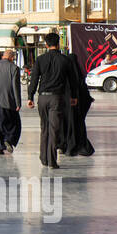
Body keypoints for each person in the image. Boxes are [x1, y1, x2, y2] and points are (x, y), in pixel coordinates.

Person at [27, 32, 74, 169]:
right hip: (56, 98)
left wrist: (30, 97)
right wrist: (74, 97)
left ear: (46, 45)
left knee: (44, 127)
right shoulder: (65, 60)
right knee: (54, 129)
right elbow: (72, 81)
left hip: (42, 98)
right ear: (58, 43)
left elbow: (34, 79)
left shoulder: (40, 59)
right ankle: (52, 161)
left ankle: (44, 158)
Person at [60, 50, 95, 157]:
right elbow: (85, 95)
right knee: (78, 127)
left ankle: (66, 146)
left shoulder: (66, 76)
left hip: (68, 107)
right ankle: (77, 147)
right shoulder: (79, 75)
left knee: (67, 126)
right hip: (78, 109)